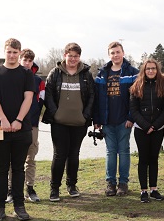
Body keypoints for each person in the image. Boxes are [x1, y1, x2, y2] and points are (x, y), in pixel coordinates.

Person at [0, 38, 35, 221]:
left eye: (15, 52)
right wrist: (4, 120)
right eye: (9, 52)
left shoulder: (26, 74)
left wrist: (18, 120)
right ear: (4, 51)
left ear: (19, 53)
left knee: (18, 169)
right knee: (1, 169)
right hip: (0, 129)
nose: (12, 55)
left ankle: (19, 206)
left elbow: (28, 98)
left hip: (22, 129)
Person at [42, 43, 95, 202]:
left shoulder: (86, 74)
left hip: (79, 123)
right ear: (65, 55)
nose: (73, 59)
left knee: (74, 155)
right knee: (59, 155)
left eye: (76, 56)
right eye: (70, 55)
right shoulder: (55, 73)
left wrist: (86, 115)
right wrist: (55, 113)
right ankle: (54, 188)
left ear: (79, 57)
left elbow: (92, 96)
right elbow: (49, 95)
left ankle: (72, 185)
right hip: (59, 123)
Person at [93, 41, 139, 196]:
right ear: (109, 55)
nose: (115, 55)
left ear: (123, 53)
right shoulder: (102, 73)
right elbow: (97, 99)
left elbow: (137, 97)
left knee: (124, 151)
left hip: (124, 121)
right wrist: (97, 119)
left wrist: (131, 118)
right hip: (107, 121)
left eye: (118, 52)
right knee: (110, 152)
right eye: (112, 53)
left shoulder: (133, 72)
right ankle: (110, 183)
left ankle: (123, 183)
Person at [128, 59, 164, 203]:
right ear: (144, 71)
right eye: (148, 69)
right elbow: (133, 110)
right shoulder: (136, 86)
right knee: (143, 159)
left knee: (154, 159)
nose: (151, 71)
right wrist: (146, 126)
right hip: (141, 129)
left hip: (158, 129)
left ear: (157, 70)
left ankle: (154, 189)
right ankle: (143, 190)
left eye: (153, 68)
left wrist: (155, 125)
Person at [19, 48, 45, 202]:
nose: (27, 63)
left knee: (31, 158)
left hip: (32, 125)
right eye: (25, 60)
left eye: (30, 61)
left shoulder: (38, 81)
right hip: (14, 125)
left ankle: (30, 188)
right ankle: (12, 189)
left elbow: (40, 102)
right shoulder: (13, 77)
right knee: (14, 160)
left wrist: (33, 117)